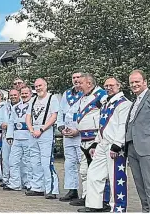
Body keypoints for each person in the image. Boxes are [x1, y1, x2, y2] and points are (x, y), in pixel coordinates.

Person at [79, 77, 132, 212]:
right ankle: (94, 204)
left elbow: (123, 126)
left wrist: (117, 144)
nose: (108, 88)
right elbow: (102, 126)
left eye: (111, 85)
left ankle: (118, 207)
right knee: (93, 173)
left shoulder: (124, 103)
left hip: (115, 146)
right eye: (106, 86)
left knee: (116, 178)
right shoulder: (106, 103)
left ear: (119, 86)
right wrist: (96, 143)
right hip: (103, 144)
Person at [70, 73, 107, 206]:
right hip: (83, 138)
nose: (78, 85)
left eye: (81, 83)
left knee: (96, 172)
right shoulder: (83, 97)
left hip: (95, 139)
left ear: (89, 83)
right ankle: (86, 196)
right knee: (84, 171)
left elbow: (106, 114)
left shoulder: (101, 94)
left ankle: (101, 200)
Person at [25, 78, 60, 199]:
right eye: (36, 86)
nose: (38, 88)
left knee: (46, 162)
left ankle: (51, 189)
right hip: (33, 131)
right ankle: (37, 187)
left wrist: (41, 130)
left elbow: (54, 116)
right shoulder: (33, 100)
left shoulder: (52, 98)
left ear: (45, 86)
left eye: (40, 85)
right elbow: (28, 116)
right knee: (34, 161)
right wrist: (31, 130)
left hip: (45, 131)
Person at [125, 69, 150, 212]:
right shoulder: (135, 101)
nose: (134, 84)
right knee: (140, 186)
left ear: (145, 82)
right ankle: (146, 210)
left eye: (137, 81)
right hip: (132, 147)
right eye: (132, 82)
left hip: (147, 148)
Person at [57, 72, 84, 202]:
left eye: (78, 77)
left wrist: (78, 130)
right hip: (67, 133)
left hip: (80, 133)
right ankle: (72, 190)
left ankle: (86, 193)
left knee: (83, 163)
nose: (76, 80)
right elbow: (61, 111)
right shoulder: (66, 93)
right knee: (69, 163)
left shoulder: (87, 93)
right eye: (74, 78)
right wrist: (61, 128)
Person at [3, 87, 33, 191]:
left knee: (27, 161)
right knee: (13, 161)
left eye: (26, 93)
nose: (24, 95)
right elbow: (11, 122)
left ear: (30, 94)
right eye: (23, 93)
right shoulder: (15, 107)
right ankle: (15, 183)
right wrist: (9, 135)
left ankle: (29, 183)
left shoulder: (33, 105)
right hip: (16, 137)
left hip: (28, 136)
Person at [1, 89, 20, 188]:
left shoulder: (23, 106)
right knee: (5, 158)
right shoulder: (5, 106)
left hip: (18, 135)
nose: (13, 97)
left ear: (19, 95)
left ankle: (18, 181)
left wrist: (9, 125)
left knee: (17, 160)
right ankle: (6, 179)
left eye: (15, 95)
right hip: (5, 135)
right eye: (11, 95)